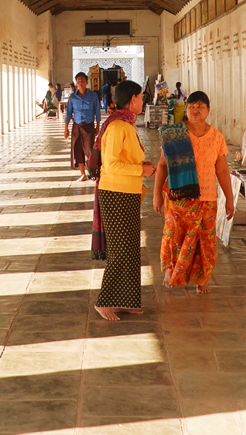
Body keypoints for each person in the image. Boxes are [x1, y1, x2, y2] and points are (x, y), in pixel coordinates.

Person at [152, 91, 235, 294]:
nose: (195, 110)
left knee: (205, 241)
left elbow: (222, 171)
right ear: (186, 109)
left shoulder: (216, 137)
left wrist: (229, 199)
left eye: (200, 107)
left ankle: (202, 278)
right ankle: (170, 270)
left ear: (208, 110)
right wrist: (156, 194)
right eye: (191, 106)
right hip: (179, 197)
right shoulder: (174, 135)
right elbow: (162, 165)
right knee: (173, 234)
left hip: (207, 197)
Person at [94, 80, 156, 321]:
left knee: (130, 249)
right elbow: (111, 164)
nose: (143, 100)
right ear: (132, 99)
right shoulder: (117, 127)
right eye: (141, 97)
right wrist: (140, 169)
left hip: (128, 193)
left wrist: (142, 165)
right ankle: (104, 301)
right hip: (115, 193)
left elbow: (128, 158)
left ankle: (126, 300)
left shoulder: (127, 124)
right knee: (120, 250)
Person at [63, 72, 101, 182]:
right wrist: (66, 128)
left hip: (89, 126)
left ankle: (93, 172)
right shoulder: (73, 97)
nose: (80, 83)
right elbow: (68, 113)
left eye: (82, 81)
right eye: (78, 81)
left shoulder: (93, 96)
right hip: (77, 126)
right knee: (77, 149)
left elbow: (97, 112)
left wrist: (98, 126)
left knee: (90, 149)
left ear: (86, 82)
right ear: (76, 83)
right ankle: (83, 174)